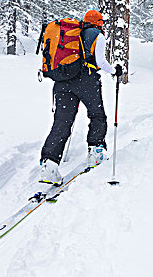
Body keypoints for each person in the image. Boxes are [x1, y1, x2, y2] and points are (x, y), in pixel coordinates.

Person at [39, 10, 118, 185]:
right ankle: (95, 151)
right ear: (99, 22)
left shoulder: (72, 34)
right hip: (86, 81)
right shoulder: (97, 35)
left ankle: (49, 164)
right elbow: (100, 61)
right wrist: (115, 71)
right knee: (97, 115)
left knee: (62, 122)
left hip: (63, 81)